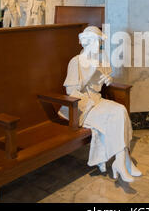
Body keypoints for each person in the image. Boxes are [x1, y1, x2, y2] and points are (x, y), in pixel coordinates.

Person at [60, 26, 142, 183]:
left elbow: (101, 84)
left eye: (100, 43)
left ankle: (121, 162)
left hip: (96, 100)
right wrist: (89, 75)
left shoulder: (101, 60)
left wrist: (108, 80)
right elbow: (70, 91)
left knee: (120, 110)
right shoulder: (76, 62)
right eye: (96, 42)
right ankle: (124, 163)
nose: (98, 46)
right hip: (80, 105)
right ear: (87, 42)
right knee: (115, 116)